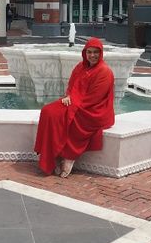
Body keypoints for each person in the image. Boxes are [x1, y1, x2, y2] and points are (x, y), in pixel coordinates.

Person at [33, 37, 115, 178]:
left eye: (96, 52)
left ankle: (69, 156)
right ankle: (54, 153)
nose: (92, 55)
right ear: (85, 53)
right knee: (48, 111)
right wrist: (69, 96)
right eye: (89, 52)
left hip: (94, 109)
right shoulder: (80, 66)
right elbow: (71, 86)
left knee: (63, 117)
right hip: (76, 102)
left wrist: (73, 103)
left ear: (101, 53)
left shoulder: (104, 71)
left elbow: (94, 98)